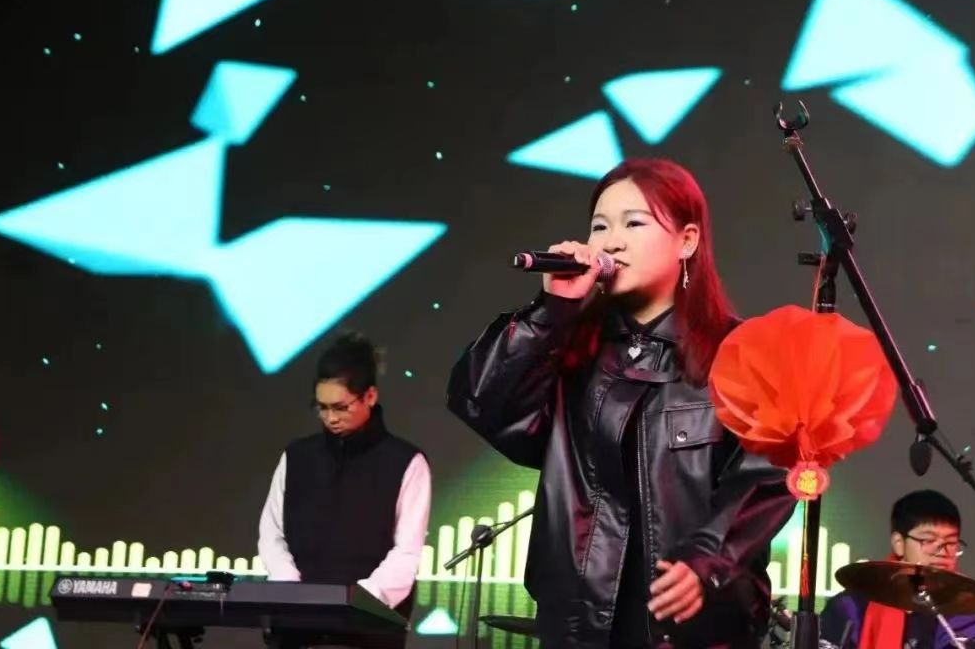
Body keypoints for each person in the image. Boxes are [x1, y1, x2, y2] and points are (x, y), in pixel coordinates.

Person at [447, 158, 797, 648]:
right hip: (580, 627)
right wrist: (550, 313)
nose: (611, 242)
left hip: (696, 629)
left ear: (687, 240)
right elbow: (478, 400)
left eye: (634, 224)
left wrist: (706, 558)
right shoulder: (569, 350)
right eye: (599, 227)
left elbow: (768, 474)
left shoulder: (741, 353)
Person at [258, 332, 431, 620]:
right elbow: (271, 533)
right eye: (322, 408)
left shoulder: (406, 462)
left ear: (370, 396)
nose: (331, 418)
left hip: (369, 623)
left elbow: (406, 552)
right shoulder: (297, 456)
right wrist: (290, 590)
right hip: (295, 619)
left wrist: (359, 601)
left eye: (341, 407)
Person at [820, 489, 975, 648]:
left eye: (951, 542)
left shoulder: (967, 626)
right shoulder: (850, 608)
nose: (942, 551)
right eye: (928, 540)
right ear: (899, 543)